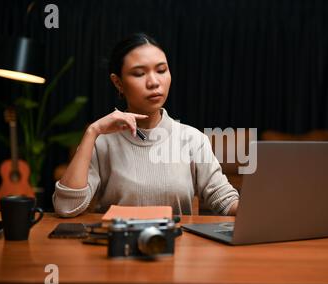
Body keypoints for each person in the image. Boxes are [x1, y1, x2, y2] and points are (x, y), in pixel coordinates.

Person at [52, 33, 239, 217]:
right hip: (117, 244)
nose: (154, 82)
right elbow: (66, 207)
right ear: (118, 83)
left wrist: (258, 209)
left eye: (161, 70)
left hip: (179, 245)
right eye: (139, 73)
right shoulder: (102, 141)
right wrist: (92, 132)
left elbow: (224, 200)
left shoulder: (193, 139)